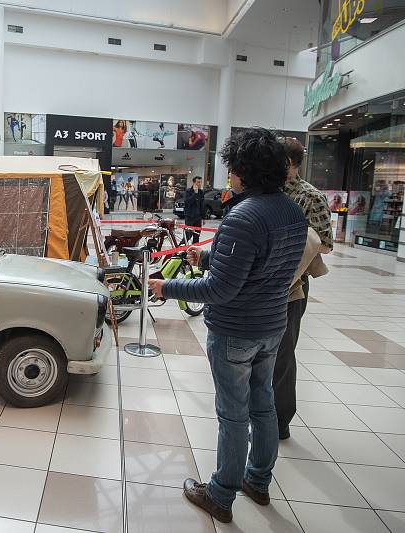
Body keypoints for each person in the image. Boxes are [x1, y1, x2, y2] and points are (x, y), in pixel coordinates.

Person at [148, 128, 307, 524]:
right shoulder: (292, 212)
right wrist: (210, 258)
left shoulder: (244, 215)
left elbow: (220, 289)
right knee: (264, 405)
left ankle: (220, 494)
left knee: (233, 414)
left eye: (233, 167)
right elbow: (266, 266)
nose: (229, 175)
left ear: (244, 170)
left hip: (236, 331)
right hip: (273, 326)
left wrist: (166, 286)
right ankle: (259, 481)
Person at [275, 137, 332, 440]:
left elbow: (326, 243)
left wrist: (294, 242)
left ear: (290, 163)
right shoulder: (265, 190)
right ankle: (259, 414)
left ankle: (280, 419)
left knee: (283, 353)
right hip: (260, 285)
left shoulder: (311, 196)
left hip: (292, 287)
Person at [184, 176, 205, 243]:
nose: (200, 184)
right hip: (190, 217)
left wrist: (203, 218)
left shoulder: (201, 192)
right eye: (198, 182)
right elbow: (187, 202)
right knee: (188, 235)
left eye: (200, 182)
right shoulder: (188, 191)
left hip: (198, 217)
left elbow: (202, 205)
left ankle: (194, 251)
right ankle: (180, 249)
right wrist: (195, 194)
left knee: (197, 236)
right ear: (194, 183)